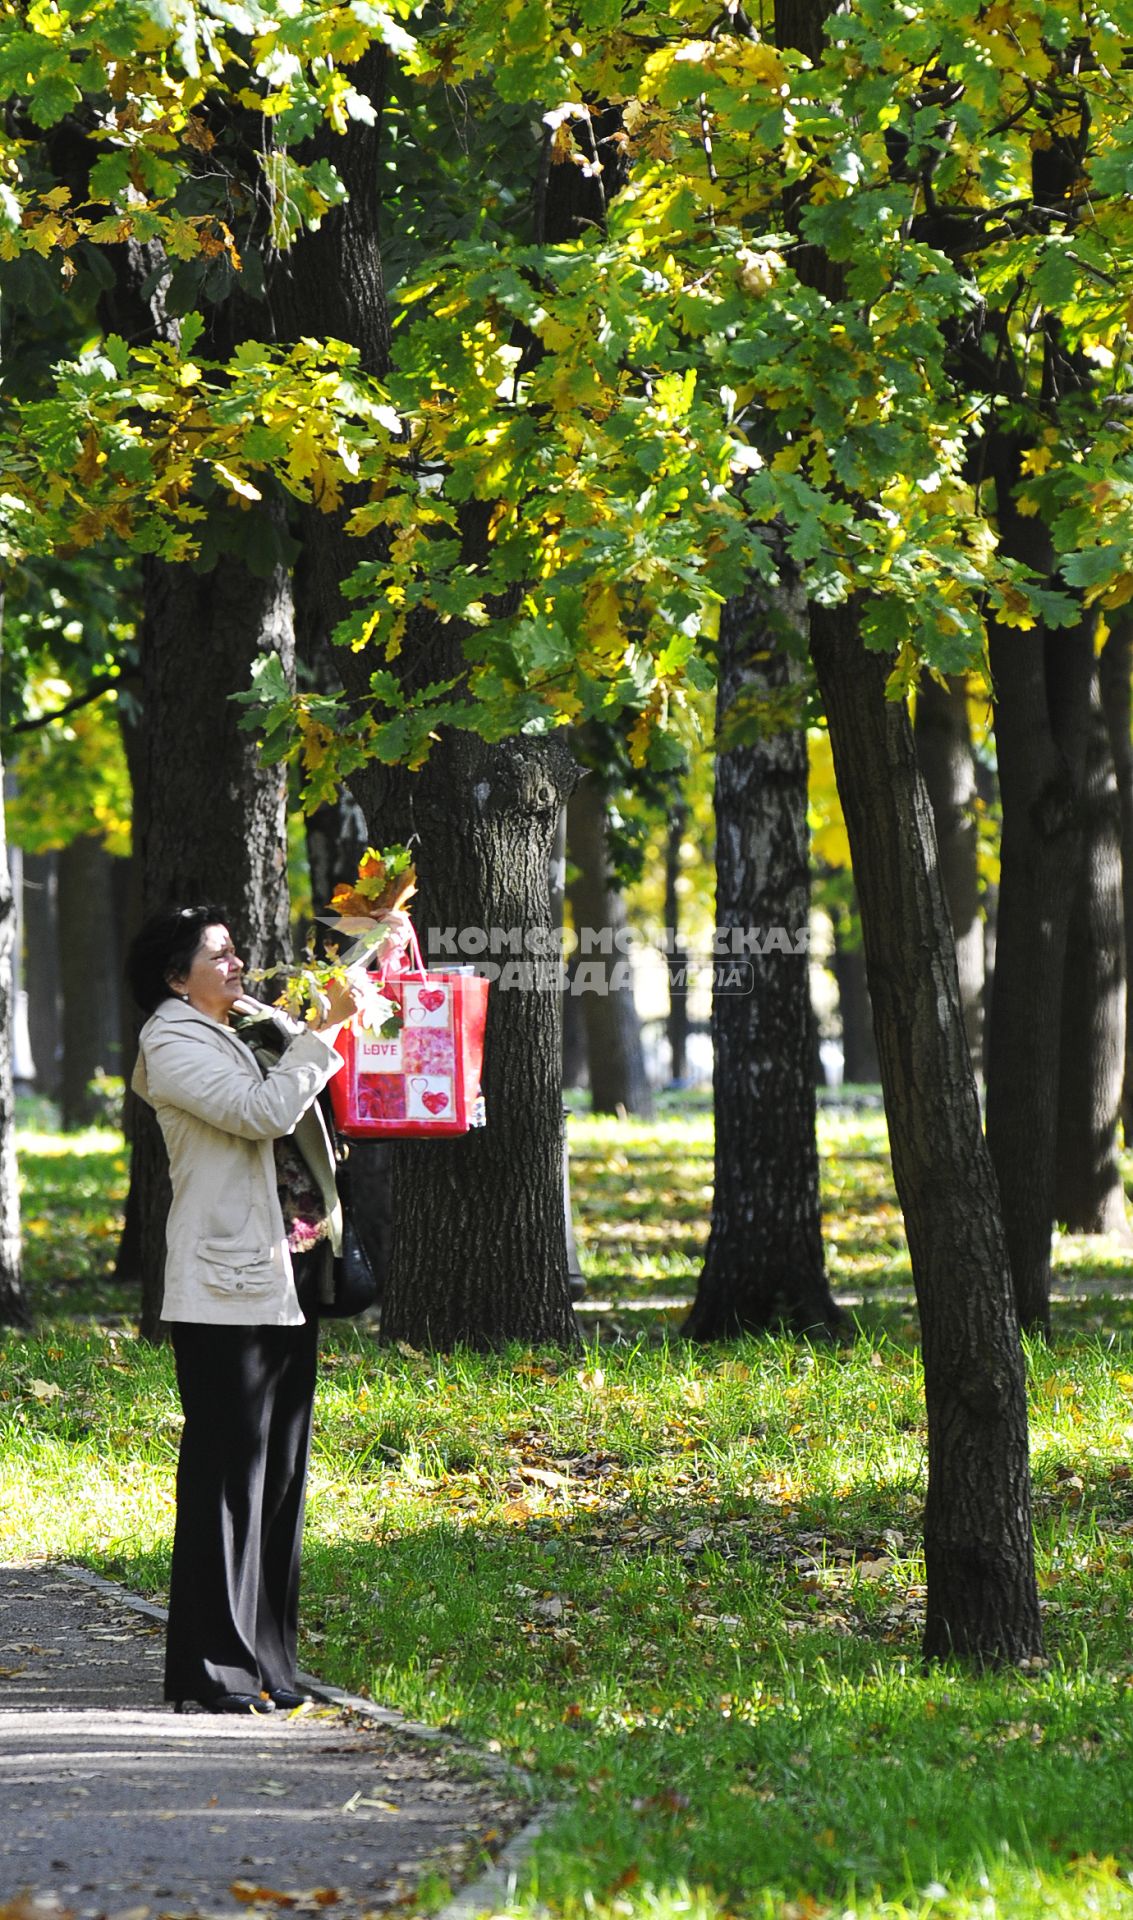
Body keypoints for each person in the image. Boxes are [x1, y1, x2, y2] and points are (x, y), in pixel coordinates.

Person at [126, 903, 406, 1715]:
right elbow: (261, 1113)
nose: (238, 963)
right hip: (222, 1288)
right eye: (220, 954)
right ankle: (210, 1674)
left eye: (236, 949)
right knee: (226, 1475)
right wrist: (321, 1036)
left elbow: (325, 1015)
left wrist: (370, 950)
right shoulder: (170, 1041)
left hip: (285, 1274)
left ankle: (268, 1667)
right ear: (178, 977)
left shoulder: (249, 1022)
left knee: (279, 1477)